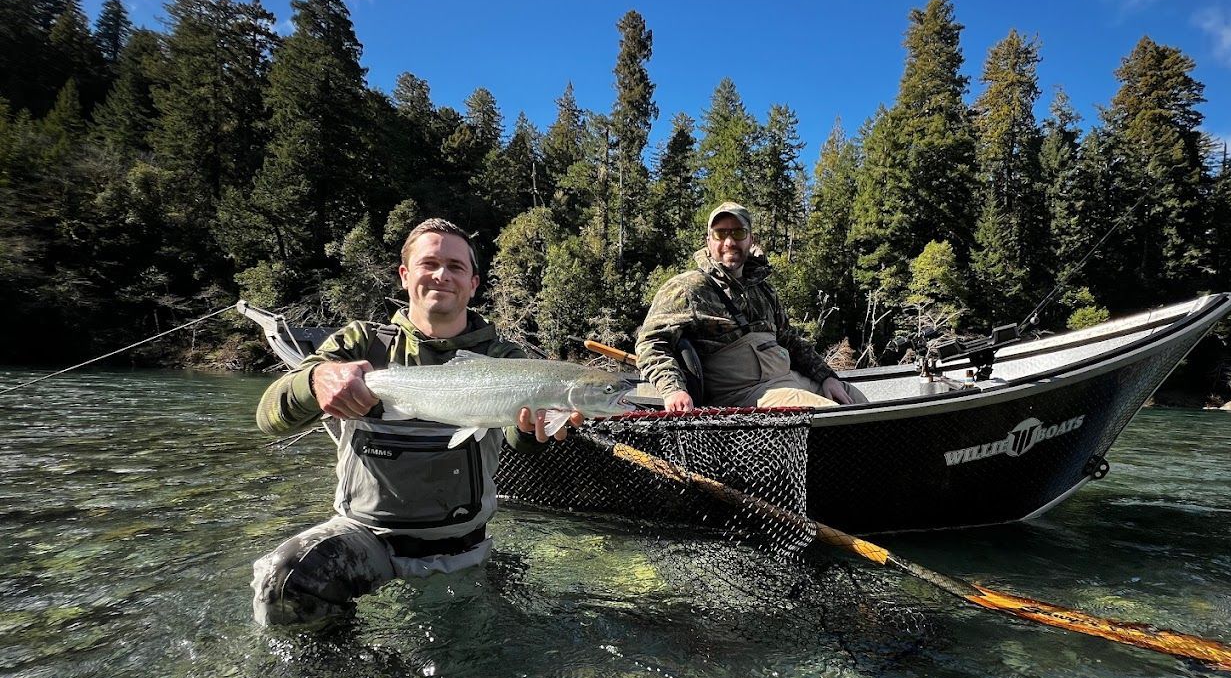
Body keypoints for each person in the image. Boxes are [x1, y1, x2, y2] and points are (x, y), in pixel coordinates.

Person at [251, 217, 579, 626]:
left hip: (463, 547)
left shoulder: (505, 358)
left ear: (473, 284)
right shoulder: (360, 344)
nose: (443, 275)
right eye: (430, 264)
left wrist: (536, 431)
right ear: (405, 275)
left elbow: (517, 436)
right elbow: (270, 418)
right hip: (366, 539)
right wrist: (315, 381)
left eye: (456, 267)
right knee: (282, 581)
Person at [635, 202, 860, 413]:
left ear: (750, 239)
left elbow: (790, 341)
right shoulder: (687, 288)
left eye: (738, 233)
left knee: (854, 398)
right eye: (720, 233)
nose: (729, 242)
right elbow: (651, 343)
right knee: (824, 412)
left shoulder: (764, 290)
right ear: (708, 240)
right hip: (741, 395)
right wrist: (673, 389)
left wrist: (826, 377)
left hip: (787, 379)